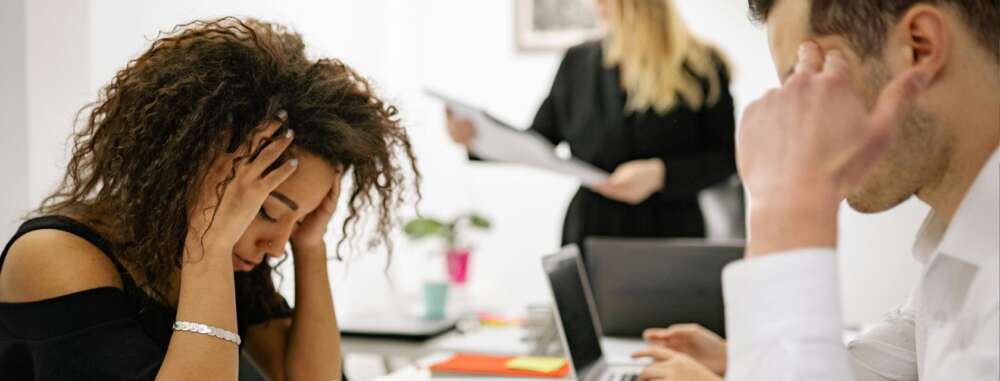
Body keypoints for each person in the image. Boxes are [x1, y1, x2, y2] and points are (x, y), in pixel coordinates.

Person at [0, 18, 418, 380]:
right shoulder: (52, 257)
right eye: (270, 213)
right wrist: (210, 246)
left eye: (300, 221)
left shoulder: (228, 260)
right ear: (193, 170)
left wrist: (310, 246)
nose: (276, 246)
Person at [632, 0, 999, 380]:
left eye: (810, 81)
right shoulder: (962, 240)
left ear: (919, 47)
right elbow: (904, 356)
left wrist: (786, 205)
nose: (800, 118)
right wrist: (745, 360)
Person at [446, 0, 737, 247]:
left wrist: (659, 174)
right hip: (591, 232)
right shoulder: (577, 63)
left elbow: (726, 160)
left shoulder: (703, 66)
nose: (596, 6)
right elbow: (538, 141)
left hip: (671, 236)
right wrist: (477, 138)